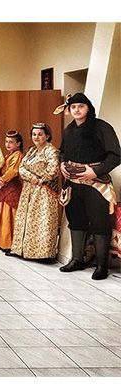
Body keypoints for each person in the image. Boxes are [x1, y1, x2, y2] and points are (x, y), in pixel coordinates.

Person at [57, 93, 120, 280]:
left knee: (100, 223)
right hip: (73, 183)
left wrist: (96, 171)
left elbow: (116, 155)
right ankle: (77, 259)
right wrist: (62, 164)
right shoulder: (69, 130)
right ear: (69, 110)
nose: (77, 110)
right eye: (73, 107)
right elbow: (62, 152)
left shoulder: (102, 127)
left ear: (88, 108)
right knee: (76, 221)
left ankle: (102, 266)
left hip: (96, 184)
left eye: (81, 106)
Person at [10, 123, 60, 260]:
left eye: (40, 134)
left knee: (41, 220)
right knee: (26, 218)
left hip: (43, 190)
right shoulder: (32, 151)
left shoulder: (51, 151)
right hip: (29, 188)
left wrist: (40, 179)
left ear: (47, 136)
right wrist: (31, 177)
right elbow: (21, 168)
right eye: (34, 134)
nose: (36, 137)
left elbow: (53, 169)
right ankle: (22, 250)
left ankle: (42, 254)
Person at [0, 131, 24, 254]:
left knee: (11, 214)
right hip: (5, 188)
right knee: (4, 213)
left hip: (12, 188)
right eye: (6, 141)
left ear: (18, 143)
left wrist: (1, 179)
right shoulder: (8, 155)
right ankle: (4, 242)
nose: (7, 144)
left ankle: (11, 244)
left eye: (11, 142)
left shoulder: (18, 155)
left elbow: (13, 171)